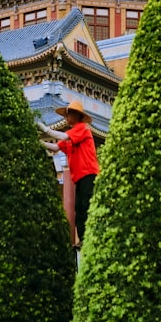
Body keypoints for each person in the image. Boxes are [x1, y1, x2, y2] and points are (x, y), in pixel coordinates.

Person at [37, 100, 100, 247]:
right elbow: (55, 147)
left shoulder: (82, 129)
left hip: (88, 173)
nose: (66, 117)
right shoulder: (71, 135)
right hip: (80, 177)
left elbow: (62, 138)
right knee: (79, 208)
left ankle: (88, 238)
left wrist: (46, 130)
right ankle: (83, 238)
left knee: (86, 205)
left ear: (77, 116)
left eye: (69, 114)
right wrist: (38, 141)